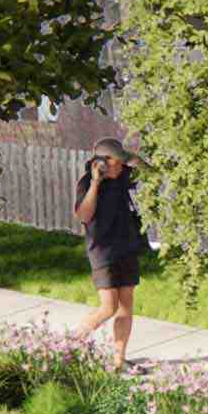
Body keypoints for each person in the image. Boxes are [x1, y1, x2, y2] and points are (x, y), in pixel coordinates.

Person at [72, 138, 150, 373]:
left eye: (121, 163)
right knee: (108, 307)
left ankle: (119, 361)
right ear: (102, 164)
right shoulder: (86, 183)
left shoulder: (122, 176)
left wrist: (135, 160)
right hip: (103, 251)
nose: (120, 168)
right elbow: (83, 216)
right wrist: (96, 183)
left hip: (127, 246)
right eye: (116, 163)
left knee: (126, 306)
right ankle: (69, 346)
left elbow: (151, 175)